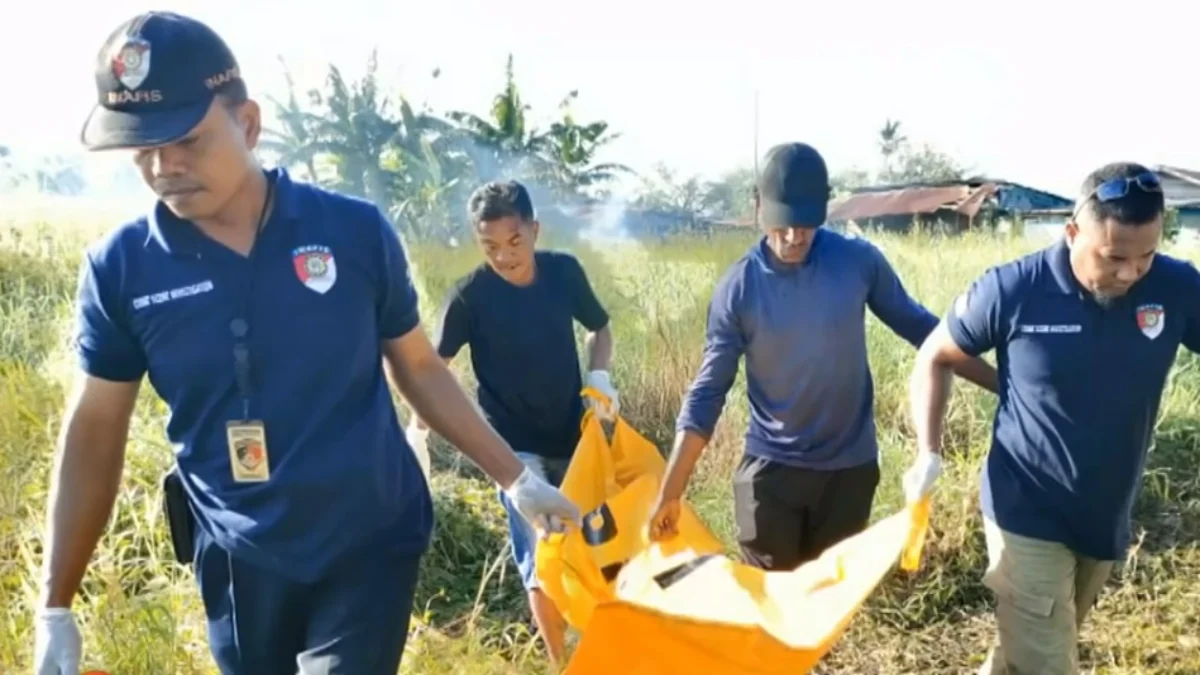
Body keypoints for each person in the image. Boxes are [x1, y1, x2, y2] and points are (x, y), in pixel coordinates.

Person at [33, 12, 580, 675]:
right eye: (140, 149)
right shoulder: (123, 267)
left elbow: (419, 367)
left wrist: (515, 477)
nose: (162, 166)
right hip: (238, 555)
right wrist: (55, 605)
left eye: (185, 140)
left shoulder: (350, 233)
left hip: (367, 536)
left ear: (249, 124)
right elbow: (95, 429)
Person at [904, 161, 1200, 674]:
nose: (1131, 273)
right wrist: (927, 453)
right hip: (1026, 509)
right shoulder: (1015, 290)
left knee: (1032, 649)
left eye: (1147, 255)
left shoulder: (1175, 288)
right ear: (1072, 233)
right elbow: (937, 355)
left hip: (1104, 513)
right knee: (1048, 663)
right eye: (1114, 257)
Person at [647, 142, 997, 571]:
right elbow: (707, 393)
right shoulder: (739, 289)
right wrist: (671, 491)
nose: (795, 237)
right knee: (772, 614)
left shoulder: (858, 262)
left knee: (828, 613)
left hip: (848, 474)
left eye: (807, 224)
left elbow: (924, 331)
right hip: (770, 475)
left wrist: (1003, 383)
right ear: (759, 208)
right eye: (784, 225)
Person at [412, 179, 618, 665]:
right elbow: (430, 370)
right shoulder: (468, 298)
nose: (504, 256)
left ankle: (602, 649)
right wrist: (417, 430)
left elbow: (599, 328)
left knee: (593, 544)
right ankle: (559, 661)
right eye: (489, 247)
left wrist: (601, 374)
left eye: (514, 242)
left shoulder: (564, 274)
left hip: (575, 434)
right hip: (513, 453)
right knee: (543, 555)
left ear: (534, 230)